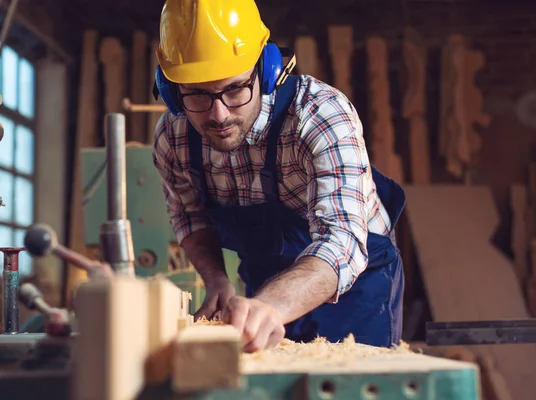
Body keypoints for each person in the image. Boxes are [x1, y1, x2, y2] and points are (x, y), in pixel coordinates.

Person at [151, 0, 406, 353]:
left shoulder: (320, 116)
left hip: (356, 290)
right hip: (266, 286)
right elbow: (190, 219)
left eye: (235, 89)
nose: (219, 114)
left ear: (267, 69)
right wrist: (217, 280)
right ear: (170, 90)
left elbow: (341, 242)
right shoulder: (173, 139)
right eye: (196, 95)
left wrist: (270, 306)